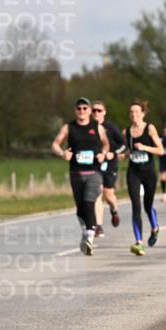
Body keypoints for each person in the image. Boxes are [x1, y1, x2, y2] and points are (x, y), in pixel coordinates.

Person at [52, 97, 110, 255]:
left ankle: (89, 236)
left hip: (94, 173)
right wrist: (62, 153)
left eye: (85, 108)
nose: (82, 111)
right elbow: (55, 144)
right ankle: (87, 229)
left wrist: (103, 154)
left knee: (89, 201)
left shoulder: (97, 127)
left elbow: (106, 143)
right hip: (76, 173)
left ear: (90, 111)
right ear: (75, 111)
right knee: (80, 208)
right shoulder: (69, 127)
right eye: (79, 108)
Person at [124, 100, 164, 256]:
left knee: (148, 205)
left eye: (136, 111)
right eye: (131, 112)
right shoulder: (126, 132)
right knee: (135, 206)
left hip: (148, 172)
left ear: (142, 113)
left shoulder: (150, 128)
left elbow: (160, 150)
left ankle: (155, 228)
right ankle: (139, 242)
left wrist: (145, 147)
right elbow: (126, 150)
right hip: (133, 172)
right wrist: (123, 154)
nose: (134, 114)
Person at [92, 100, 125, 235]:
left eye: (99, 110)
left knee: (108, 195)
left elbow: (123, 144)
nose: (96, 113)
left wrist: (114, 153)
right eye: (94, 110)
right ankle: (98, 226)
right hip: (95, 164)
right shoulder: (88, 127)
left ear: (104, 112)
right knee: (97, 193)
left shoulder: (110, 127)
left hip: (110, 164)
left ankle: (114, 210)